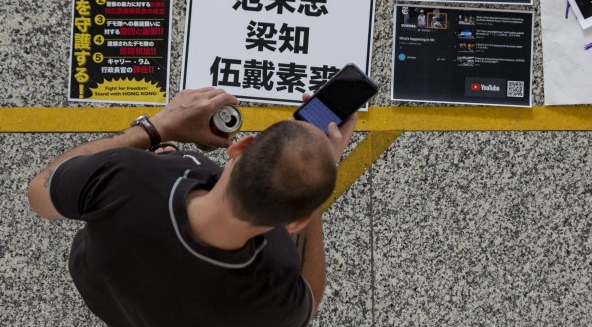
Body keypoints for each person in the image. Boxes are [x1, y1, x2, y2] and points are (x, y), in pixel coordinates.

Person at [27, 87, 355, 327]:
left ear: (239, 147)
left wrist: (156, 127)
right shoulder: (275, 288)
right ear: (298, 221)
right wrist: (318, 176)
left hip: (102, 291)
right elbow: (308, 300)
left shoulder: (127, 177)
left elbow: (39, 194)